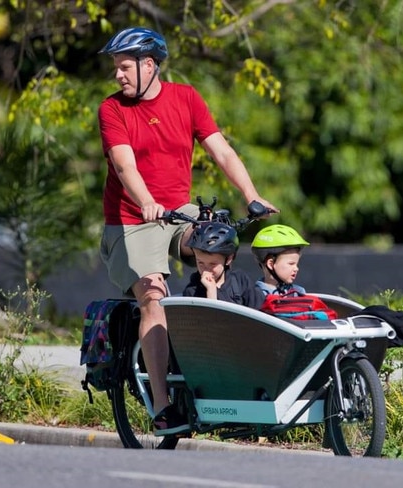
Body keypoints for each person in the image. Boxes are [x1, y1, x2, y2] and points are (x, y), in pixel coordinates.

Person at [97, 26, 278, 436]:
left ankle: (225, 373)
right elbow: (125, 167)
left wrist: (251, 195)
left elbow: (221, 150)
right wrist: (145, 200)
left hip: (178, 212)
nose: (118, 76)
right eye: (116, 68)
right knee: (153, 294)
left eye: (125, 67)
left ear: (149, 65)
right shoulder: (112, 110)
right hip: (131, 221)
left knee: (218, 244)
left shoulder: (186, 98)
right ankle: (163, 407)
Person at [182, 222, 265, 308]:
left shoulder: (240, 281)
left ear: (228, 259)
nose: (206, 270)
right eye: (200, 263)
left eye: (213, 264)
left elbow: (260, 311)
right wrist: (211, 293)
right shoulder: (192, 292)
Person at [250, 224, 310, 296]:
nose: (296, 269)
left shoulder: (299, 292)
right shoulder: (254, 295)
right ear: (271, 264)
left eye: (296, 264)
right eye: (291, 264)